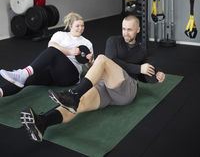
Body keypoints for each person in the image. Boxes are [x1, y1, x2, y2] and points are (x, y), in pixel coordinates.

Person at [20, 15, 165, 142]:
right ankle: (42, 123)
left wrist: (157, 76)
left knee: (101, 59)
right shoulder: (113, 41)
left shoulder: (142, 50)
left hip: (126, 89)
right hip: (105, 88)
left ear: (138, 30)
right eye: (123, 29)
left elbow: (146, 77)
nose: (125, 33)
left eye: (129, 30)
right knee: (79, 104)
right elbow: (112, 60)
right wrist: (139, 68)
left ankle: (74, 94)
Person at [0, 12, 93, 97]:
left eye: (82, 25)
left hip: (70, 76)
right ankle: (1, 92)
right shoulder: (60, 34)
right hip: (53, 73)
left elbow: (90, 67)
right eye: (77, 26)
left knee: (53, 51)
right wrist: (70, 52)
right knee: (27, 79)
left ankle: (23, 73)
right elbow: (51, 45)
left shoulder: (87, 43)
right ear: (70, 26)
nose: (80, 28)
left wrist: (89, 61)